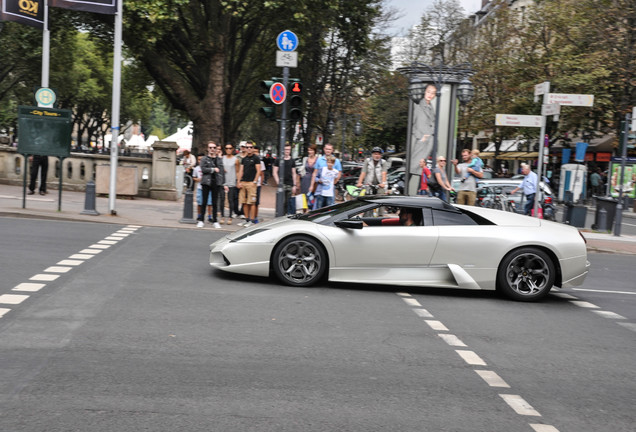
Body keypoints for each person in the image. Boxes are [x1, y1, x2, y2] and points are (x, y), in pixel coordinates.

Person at [409, 84, 436, 194]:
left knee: (421, 171)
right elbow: (412, 123)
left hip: (428, 143)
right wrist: (420, 137)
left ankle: (415, 195)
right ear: (424, 92)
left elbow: (432, 123)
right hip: (420, 143)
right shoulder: (418, 106)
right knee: (413, 169)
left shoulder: (431, 107)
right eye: (428, 91)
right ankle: (406, 194)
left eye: (433, 93)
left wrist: (431, 134)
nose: (430, 95)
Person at [197, 141, 226, 229]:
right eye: (210, 147)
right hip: (206, 182)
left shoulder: (219, 159)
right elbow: (203, 169)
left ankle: (215, 220)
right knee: (204, 202)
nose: (212, 149)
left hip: (216, 182)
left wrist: (223, 183)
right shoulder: (204, 159)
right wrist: (213, 169)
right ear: (207, 149)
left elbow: (221, 171)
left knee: (214, 202)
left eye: (214, 148)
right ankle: (201, 220)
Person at [310, 143, 342, 209]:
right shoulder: (319, 160)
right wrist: (312, 185)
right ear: (324, 149)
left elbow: (339, 173)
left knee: (329, 207)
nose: (328, 151)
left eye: (329, 149)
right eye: (327, 149)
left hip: (330, 189)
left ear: (332, 150)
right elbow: (315, 173)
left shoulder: (336, 161)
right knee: (318, 208)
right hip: (320, 188)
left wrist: (334, 182)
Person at [237, 141, 261, 227]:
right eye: (247, 147)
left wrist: (255, 181)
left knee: (252, 202)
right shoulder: (244, 159)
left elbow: (259, 171)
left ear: (253, 148)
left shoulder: (256, 158)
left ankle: (252, 220)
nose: (249, 149)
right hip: (244, 182)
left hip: (251, 183)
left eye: (251, 147)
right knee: (244, 202)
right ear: (246, 148)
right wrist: (238, 181)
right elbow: (241, 170)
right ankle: (246, 219)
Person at [273, 143, 298, 215]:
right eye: (286, 149)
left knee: (288, 202)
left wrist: (294, 185)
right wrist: (278, 182)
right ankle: (279, 215)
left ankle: (285, 216)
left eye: (289, 150)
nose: (287, 151)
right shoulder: (278, 159)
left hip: (290, 184)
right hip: (282, 184)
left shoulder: (292, 160)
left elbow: (294, 173)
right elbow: (274, 172)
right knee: (281, 201)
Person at [220, 143, 240, 225]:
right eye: (227, 148)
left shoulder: (236, 159)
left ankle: (230, 217)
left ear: (232, 149)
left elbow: (238, 171)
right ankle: (222, 216)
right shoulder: (222, 158)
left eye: (230, 148)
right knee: (222, 200)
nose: (228, 150)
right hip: (223, 182)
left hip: (231, 182)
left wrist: (238, 181)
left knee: (231, 200)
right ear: (225, 149)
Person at [298, 144, 318, 212]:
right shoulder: (305, 159)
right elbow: (301, 169)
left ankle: (312, 213)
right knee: (304, 198)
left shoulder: (318, 159)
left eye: (311, 150)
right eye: (309, 150)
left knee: (313, 199)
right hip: (305, 180)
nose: (310, 152)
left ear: (314, 151)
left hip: (314, 181)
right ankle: (304, 214)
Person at [192, 155, 213, 223]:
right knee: (200, 203)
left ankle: (210, 216)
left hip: (208, 187)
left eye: (201, 159)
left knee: (209, 203)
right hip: (200, 188)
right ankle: (199, 215)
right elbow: (194, 177)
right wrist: (197, 179)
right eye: (199, 160)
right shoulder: (196, 168)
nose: (200, 161)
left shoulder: (208, 167)